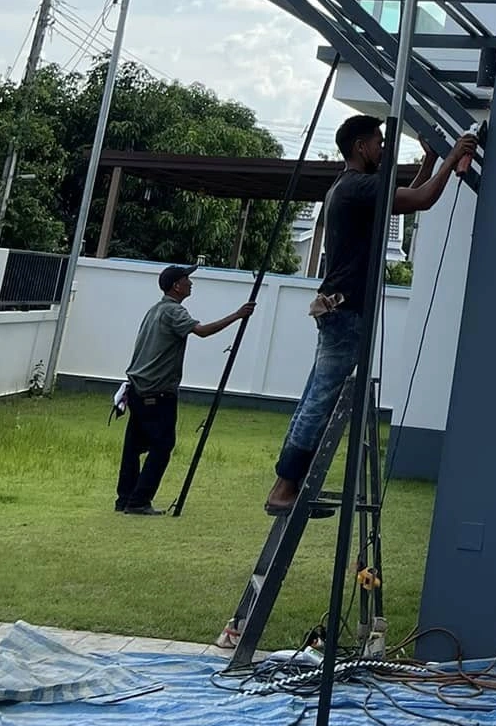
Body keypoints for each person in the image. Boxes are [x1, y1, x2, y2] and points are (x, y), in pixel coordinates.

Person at [264, 116, 477, 514]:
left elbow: (401, 199)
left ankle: (286, 484)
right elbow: (422, 200)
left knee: (314, 395)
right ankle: (285, 489)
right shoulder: (358, 186)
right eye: (378, 143)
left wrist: (431, 161)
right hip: (347, 312)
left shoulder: (347, 187)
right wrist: (452, 158)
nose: (382, 149)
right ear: (360, 147)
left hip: (337, 307)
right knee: (321, 399)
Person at [116, 265, 255, 515]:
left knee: (133, 447)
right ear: (176, 286)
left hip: (137, 388)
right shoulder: (173, 311)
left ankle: (124, 499)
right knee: (162, 446)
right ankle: (138, 501)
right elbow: (201, 331)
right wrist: (237, 315)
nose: (191, 283)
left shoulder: (155, 310)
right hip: (158, 391)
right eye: (186, 279)